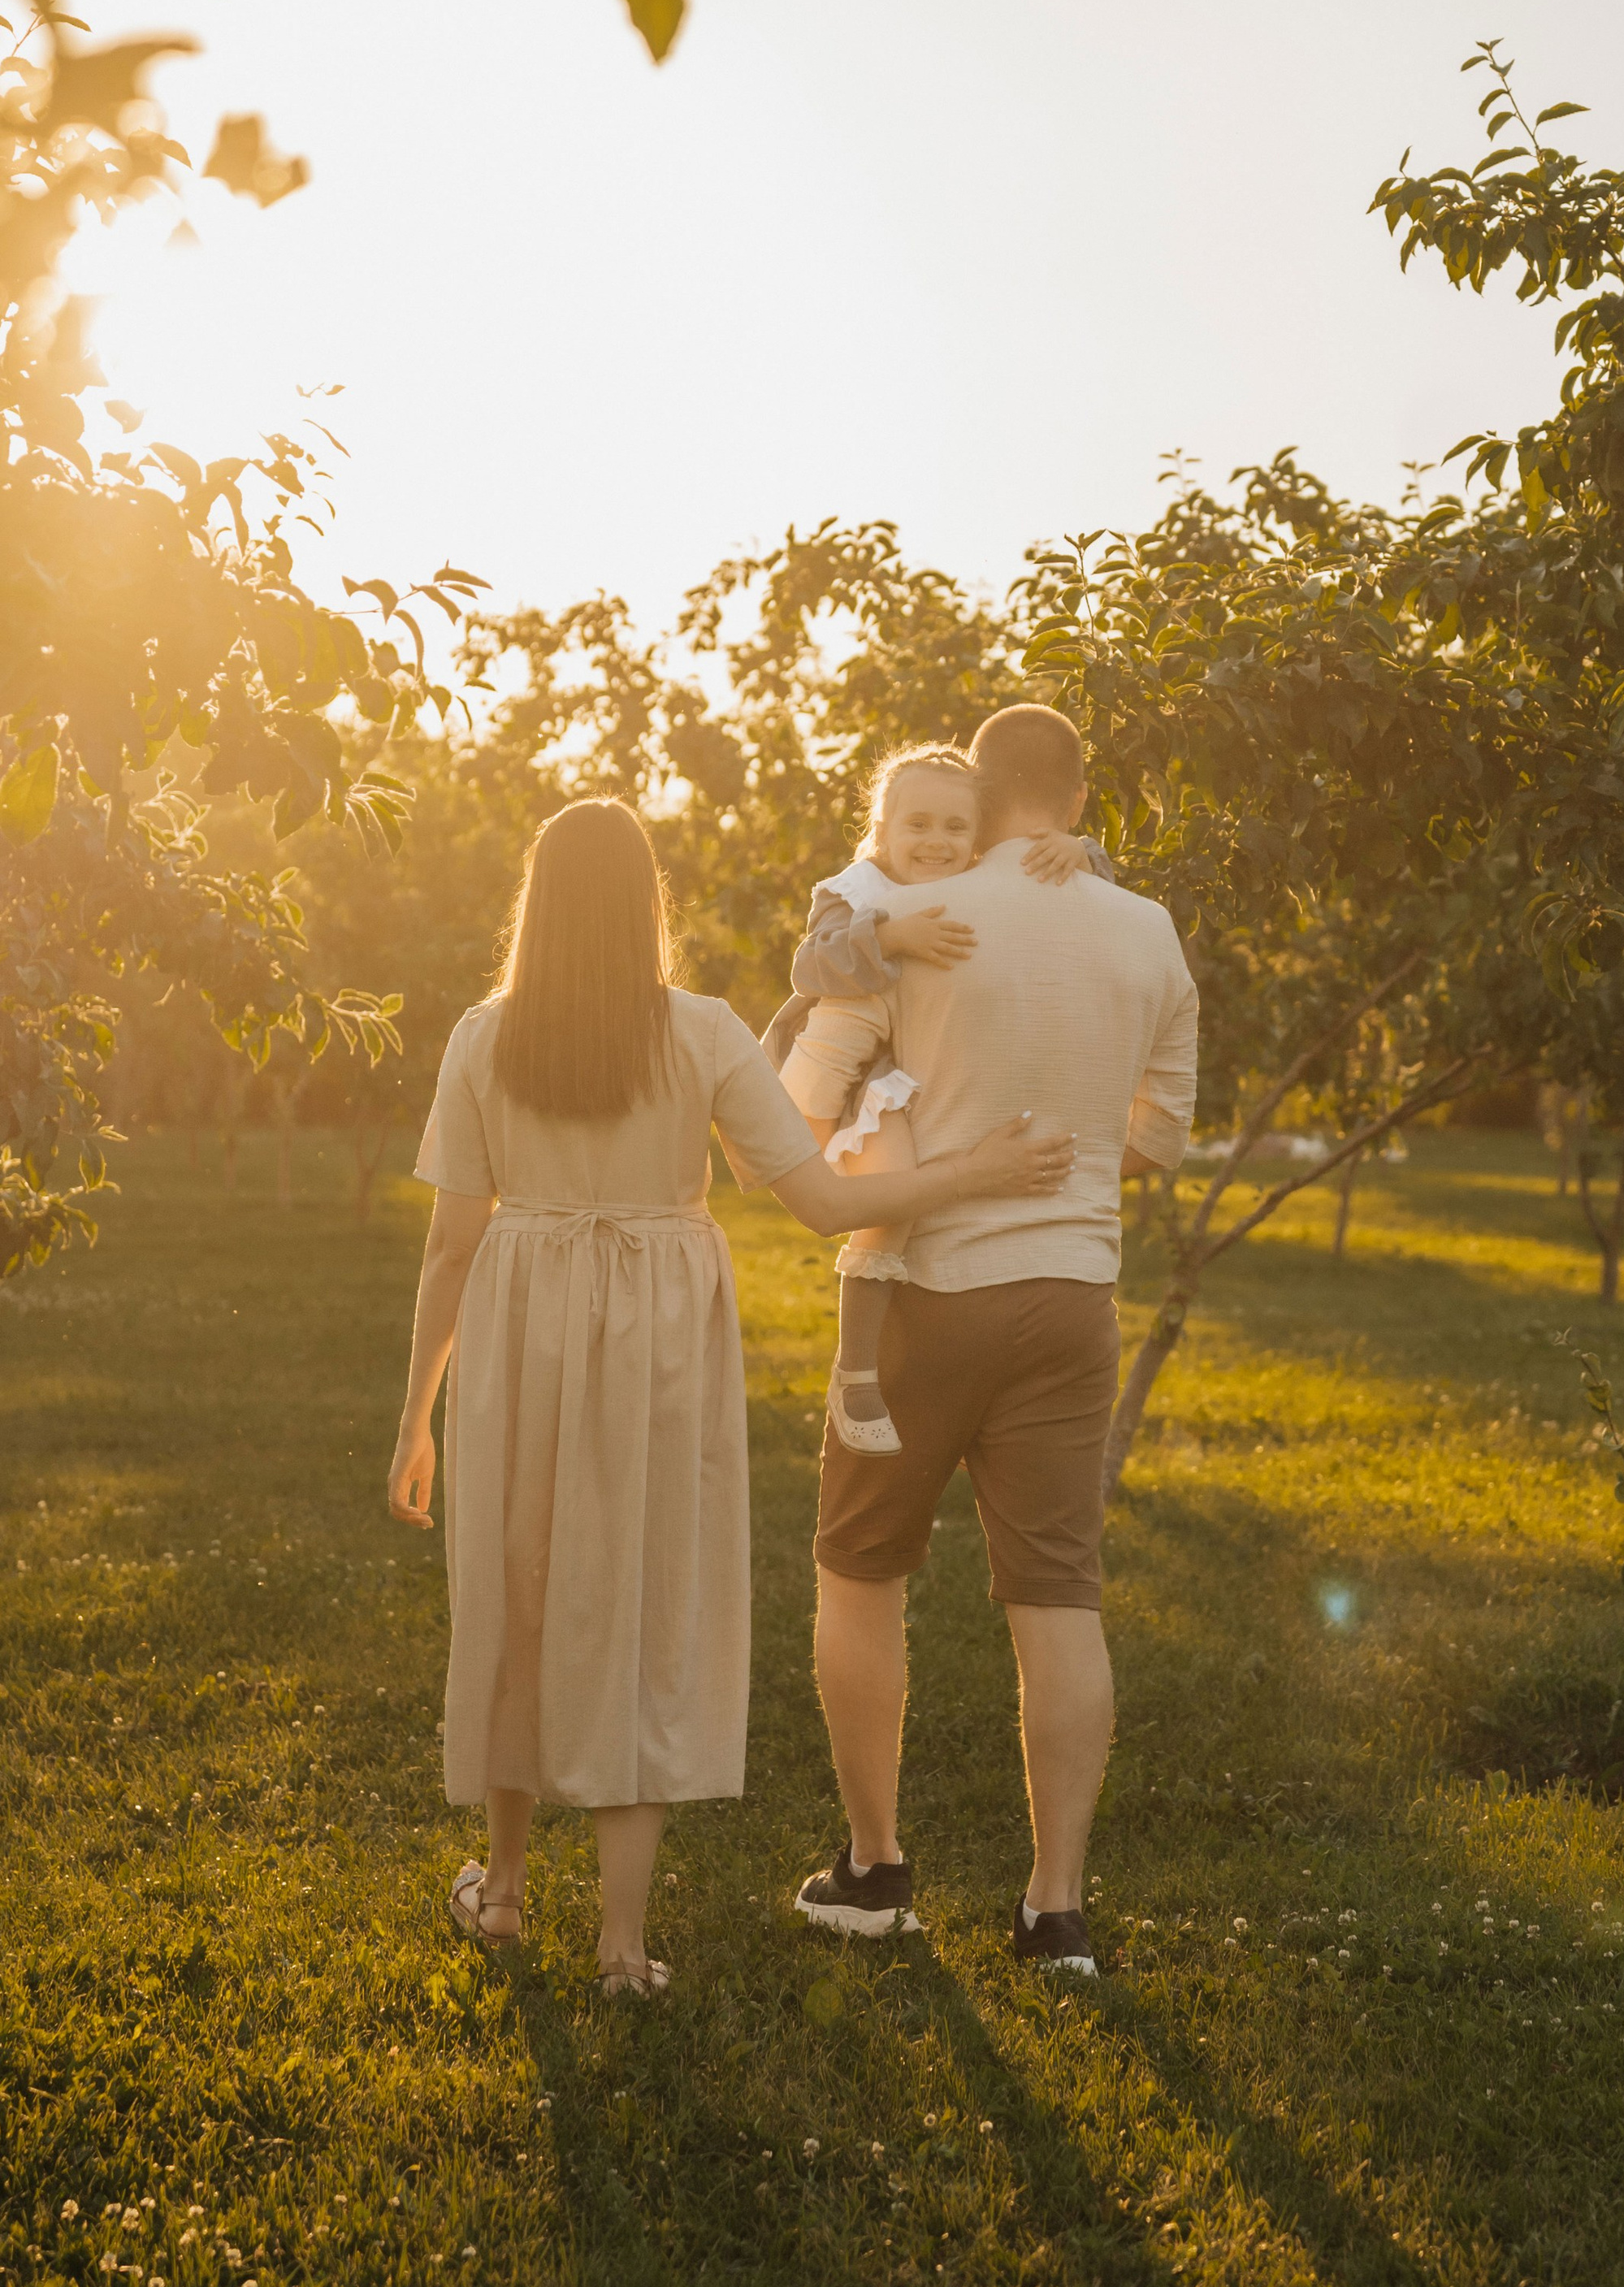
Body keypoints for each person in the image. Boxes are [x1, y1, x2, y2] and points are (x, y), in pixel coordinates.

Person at [385, 797, 1075, 1997]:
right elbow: (816, 1199)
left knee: (521, 1589)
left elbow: (450, 1244)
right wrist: (978, 1168)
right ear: (648, 904)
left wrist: (415, 1418)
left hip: (521, 1330)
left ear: (535, 909)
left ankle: (502, 1894)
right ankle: (620, 1945)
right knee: (641, 1604)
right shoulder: (701, 1032)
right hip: (656, 1331)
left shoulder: (483, 1035)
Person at [780, 705, 1197, 1975]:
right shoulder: (1148, 929)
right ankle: (1055, 1909)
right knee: (1060, 1595)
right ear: (1074, 800)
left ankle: (874, 1866)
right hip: (1076, 1299)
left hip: (924, 1295)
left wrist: (921, 1147)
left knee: (861, 1568)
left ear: (981, 790)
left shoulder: (919, 921)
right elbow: (1160, 1139)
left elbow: (797, 1112)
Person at [761, 747, 1110, 1457]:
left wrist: (1081, 851)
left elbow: (1097, 894)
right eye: (917, 824)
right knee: (895, 1202)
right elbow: (809, 963)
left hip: (930, 1067)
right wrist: (891, 935)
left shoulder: (979, 880)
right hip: (864, 1078)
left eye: (956, 827)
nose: (937, 842)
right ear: (882, 827)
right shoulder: (856, 888)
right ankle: (854, 1368)